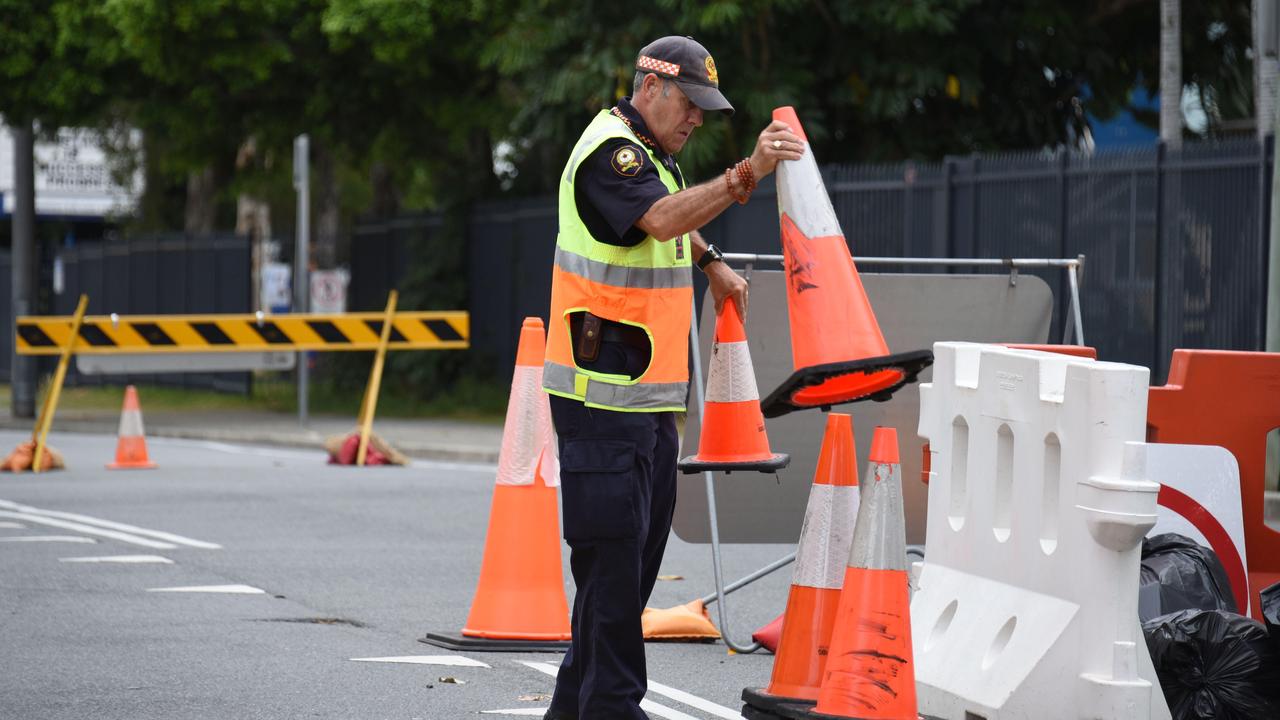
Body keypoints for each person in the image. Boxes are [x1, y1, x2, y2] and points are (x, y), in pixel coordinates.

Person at [541, 35, 804, 720]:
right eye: (689, 105)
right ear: (651, 87)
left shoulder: (654, 155)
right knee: (614, 570)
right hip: (600, 401)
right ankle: (615, 709)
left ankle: (574, 709)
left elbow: (669, 223)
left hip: (645, 403)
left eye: (704, 111)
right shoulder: (611, 151)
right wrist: (746, 174)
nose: (696, 120)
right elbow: (655, 215)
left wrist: (711, 260)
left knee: (620, 577)